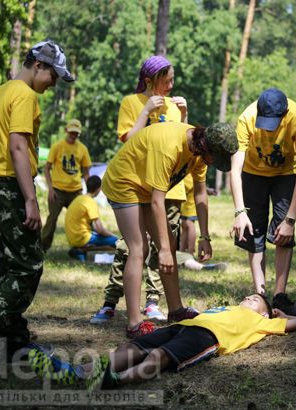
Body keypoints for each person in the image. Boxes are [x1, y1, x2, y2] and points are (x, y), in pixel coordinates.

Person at [0, 40, 74, 364]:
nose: (54, 83)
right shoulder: (26, 96)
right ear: (38, 65)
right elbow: (17, 147)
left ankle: (11, 343)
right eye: (53, 75)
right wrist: (31, 199)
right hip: (8, 190)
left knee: (6, 267)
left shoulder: (3, 91)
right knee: (29, 266)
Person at [100, 121, 237, 338]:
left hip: (145, 187)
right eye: (215, 159)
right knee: (139, 248)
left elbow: (200, 195)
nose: (213, 164)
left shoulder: (199, 153)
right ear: (205, 146)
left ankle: (176, 310)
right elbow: (157, 201)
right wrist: (162, 248)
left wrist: (204, 236)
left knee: (170, 244)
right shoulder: (169, 146)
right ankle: (135, 323)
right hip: (123, 182)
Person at [28, 293, 296, 389]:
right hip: (184, 326)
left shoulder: (263, 322)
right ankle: (78, 372)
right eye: (248, 295)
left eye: (254, 300)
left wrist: (279, 312)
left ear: (264, 312)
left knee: (159, 358)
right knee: (133, 348)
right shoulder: (227, 308)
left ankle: (115, 380)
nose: (248, 299)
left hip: (207, 337)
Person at [90, 56, 189, 325]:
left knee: (163, 244)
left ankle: (159, 304)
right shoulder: (131, 103)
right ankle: (112, 302)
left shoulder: (171, 104)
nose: (170, 85)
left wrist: (185, 116)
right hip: (131, 182)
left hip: (158, 186)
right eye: (165, 80)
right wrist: (145, 112)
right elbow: (128, 142)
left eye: (172, 80)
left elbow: (179, 141)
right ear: (149, 81)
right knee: (132, 247)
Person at [231, 88, 296, 316]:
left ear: (285, 114)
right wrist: (239, 211)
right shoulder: (246, 118)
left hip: (285, 175)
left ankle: (279, 295)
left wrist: (290, 219)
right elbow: (235, 169)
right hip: (252, 173)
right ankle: (260, 294)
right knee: (253, 231)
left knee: (283, 233)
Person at [41, 119, 91, 252]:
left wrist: (89, 193)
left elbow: (86, 173)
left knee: (81, 219)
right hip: (57, 191)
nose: (73, 135)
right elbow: (47, 169)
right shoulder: (57, 146)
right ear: (66, 131)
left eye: (76, 133)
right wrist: (50, 189)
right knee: (52, 219)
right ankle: (42, 247)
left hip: (76, 191)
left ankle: (80, 247)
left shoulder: (82, 149)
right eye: (71, 132)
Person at [65, 175, 118, 262]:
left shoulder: (79, 198)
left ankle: (79, 252)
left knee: (95, 239)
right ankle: (82, 249)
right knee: (115, 242)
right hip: (82, 238)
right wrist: (114, 236)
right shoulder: (90, 202)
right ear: (98, 188)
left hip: (72, 239)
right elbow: (99, 229)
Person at [179, 173, 198, 255]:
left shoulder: (189, 171)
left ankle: (190, 253)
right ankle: (182, 252)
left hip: (190, 205)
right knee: (184, 226)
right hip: (184, 204)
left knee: (189, 225)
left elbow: (190, 185)